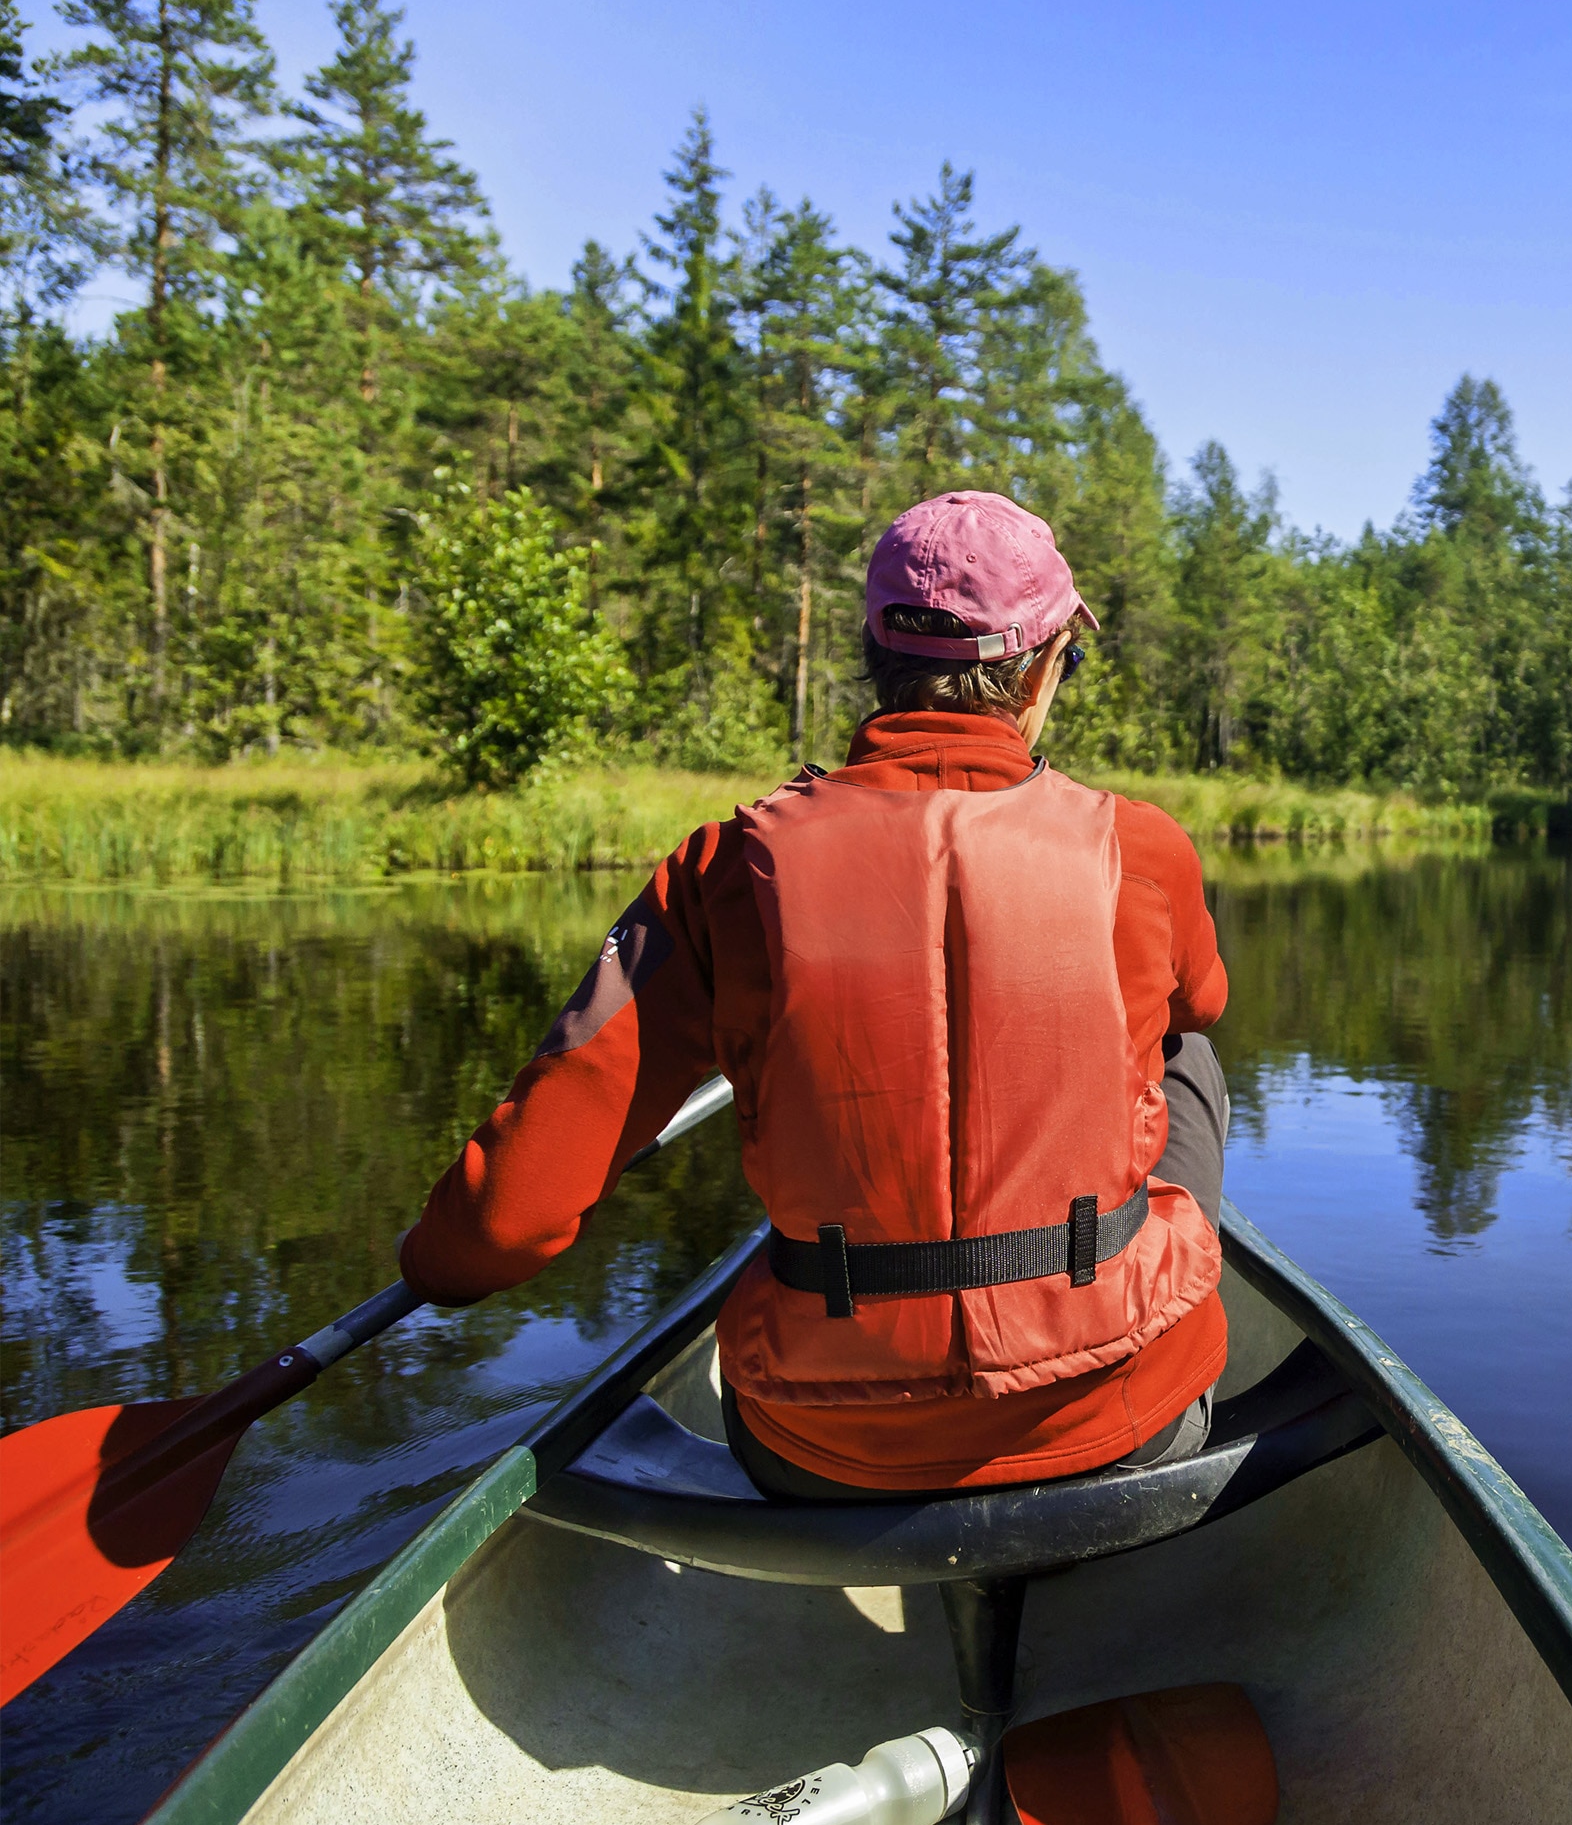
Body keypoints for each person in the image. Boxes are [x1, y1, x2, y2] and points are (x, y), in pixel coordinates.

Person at [398, 490, 1232, 1498]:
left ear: (880, 660)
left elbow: (506, 1216)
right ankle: (1127, 1300)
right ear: (1047, 665)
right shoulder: (1142, 850)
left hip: (823, 1454)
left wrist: (435, 1264)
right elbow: (1203, 998)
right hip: (1119, 1417)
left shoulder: (722, 870)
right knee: (1185, 1048)